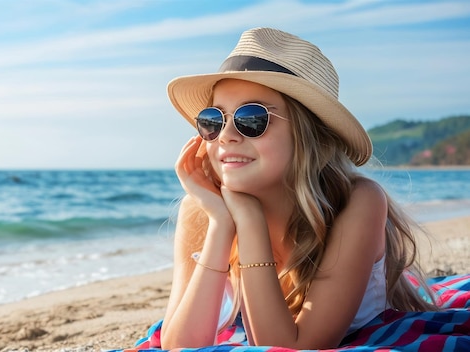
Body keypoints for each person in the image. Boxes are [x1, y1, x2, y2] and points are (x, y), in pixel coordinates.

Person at [159, 27, 438, 350]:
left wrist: (249, 221)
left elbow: (291, 347)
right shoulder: (203, 209)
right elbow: (179, 345)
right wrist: (222, 223)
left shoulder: (356, 202)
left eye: (252, 118)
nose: (226, 135)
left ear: (310, 137)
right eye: (213, 119)